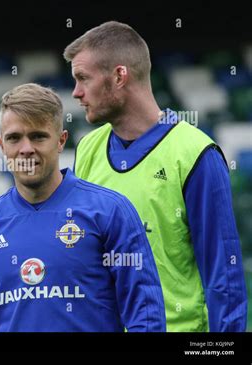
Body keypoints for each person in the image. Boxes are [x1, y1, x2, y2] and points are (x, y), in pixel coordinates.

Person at [64, 21, 247, 332]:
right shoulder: (88, 148)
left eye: (83, 78)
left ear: (119, 76)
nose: (76, 93)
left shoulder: (194, 152)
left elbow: (223, 277)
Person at [0, 83, 166, 332]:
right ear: (1, 145)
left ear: (61, 140)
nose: (26, 149)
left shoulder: (110, 212)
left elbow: (146, 317)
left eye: (38, 136)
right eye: (14, 138)